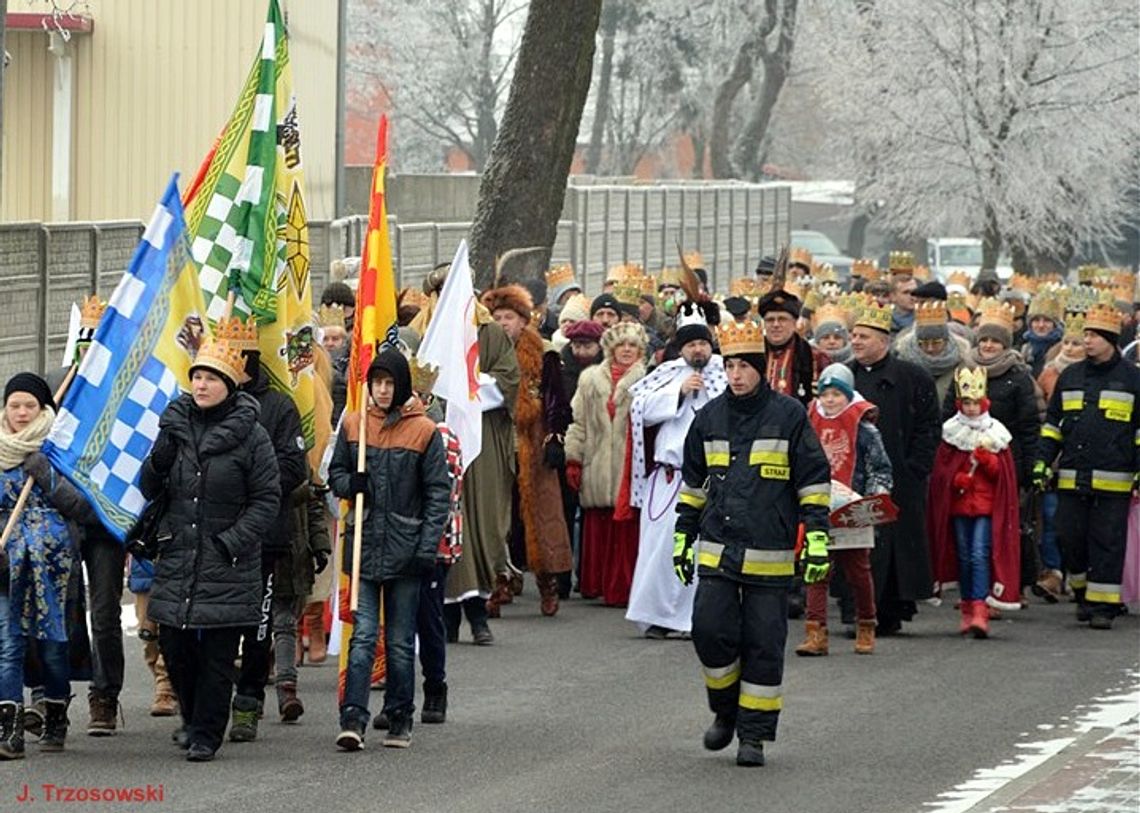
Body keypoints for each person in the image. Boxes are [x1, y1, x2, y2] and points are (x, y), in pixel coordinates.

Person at [675, 319, 832, 767]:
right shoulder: (709, 418)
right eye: (730, 366)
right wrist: (682, 539)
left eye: (745, 366)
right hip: (717, 548)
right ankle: (725, 709)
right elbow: (692, 486)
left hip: (771, 551)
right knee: (709, 631)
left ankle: (754, 736)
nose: (736, 375)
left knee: (763, 644)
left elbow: (814, 483)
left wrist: (817, 536)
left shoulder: (789, 416)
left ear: (762, 369)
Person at [140, 338, 281, 762]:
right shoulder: (175, 426)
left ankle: (206, 733)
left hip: (226, 560)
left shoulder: (252, 436)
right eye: (197, 376)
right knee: (177, 649)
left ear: (228, 385)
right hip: (180, 553)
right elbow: (150, 489)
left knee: (218, 656)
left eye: (211, 378)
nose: (201, 385)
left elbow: (267, 499)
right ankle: (192, 715)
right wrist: (159, 461)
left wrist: (231, 541)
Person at [329, 350, 450, 751]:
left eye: (389, 382)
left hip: (406, 549)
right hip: (363, 547)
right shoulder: (353, 424)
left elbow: (437, 495)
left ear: (402, 385)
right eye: (376, 382)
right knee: (362, 637)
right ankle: (353, 718)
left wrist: (426, 546)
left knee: (399, 641)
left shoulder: (424, 431)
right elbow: (337, 475)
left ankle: (400, 715)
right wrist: (351, 485)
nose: (382, 390)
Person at [0, 374, 95, 759]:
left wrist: (45, 472)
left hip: (55, 569)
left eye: (30, 406)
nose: (22, 413)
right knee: (8, 646)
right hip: (6, 568)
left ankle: (56, 713)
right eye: (14, 405)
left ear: (44, 409)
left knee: (54, 647)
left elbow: (84, 507)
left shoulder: (60, 450)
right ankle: (9, 730)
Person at [223, 318, 307, 744]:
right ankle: (210, 701)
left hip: (265, 536)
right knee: (216, 627)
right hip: (215, 540)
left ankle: (248, 704)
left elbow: (295, 467)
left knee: (259, 625)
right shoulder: (202, 408)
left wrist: (245, 476)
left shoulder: (278, 407)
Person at [1033, 303, 1140, 630]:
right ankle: (1081, 591)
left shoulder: (1133, 379)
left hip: (1115, 479)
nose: (1087, 341)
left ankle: (1103, 608)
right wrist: (1042, 460)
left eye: (1093, 336)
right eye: (1086, 335)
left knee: (1107, 542)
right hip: (1071, 476)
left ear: (1110, 339)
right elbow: (1053, 424)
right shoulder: (1071, 376)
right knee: (1069, 537)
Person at [625, 300, 726, 638]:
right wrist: (677, 394)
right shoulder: (667, 373)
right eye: (691, 344)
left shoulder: (726, 373)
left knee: (697, 550)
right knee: (660, 549)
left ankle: (691, 619)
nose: (698, 350)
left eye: (703, 343)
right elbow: (640, 408)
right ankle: (657, 617)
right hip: (667, 478)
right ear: (681, 347)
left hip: (707, 479)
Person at [848, 302, 941, 635]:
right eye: (853, 335)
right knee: (855, 544)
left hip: (901, 477)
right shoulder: (844, 377)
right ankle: (855, 611)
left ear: (883, 340)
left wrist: (916, 467)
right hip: (854, 479)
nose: (855, 342)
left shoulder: (912, 377)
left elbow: (930, 425)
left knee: (893, 546)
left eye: (863, 336)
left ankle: (890, 610)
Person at [482, 284, 572, 617]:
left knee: (541, 514)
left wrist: (554, 439)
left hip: (533, 439)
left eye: (510, 317)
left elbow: (556, 401)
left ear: (524, 320)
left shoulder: (544, 352)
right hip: (498, 437)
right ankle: (499, 579)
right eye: (498, 317)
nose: (504, 323)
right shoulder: (485, 354)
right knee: (497, 513)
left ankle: (548, 583)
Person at [795, 364, 892, 657]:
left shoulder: (864, 427)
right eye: (826, 394)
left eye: (837, 393)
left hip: (853, 507)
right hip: (818, 506)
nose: (831, 400)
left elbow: (880, 467)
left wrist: (877, 496)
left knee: (858, 572)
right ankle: (816, 632)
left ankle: (866, 623)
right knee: (817, 568)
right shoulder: (808, 421)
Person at [927, 367, 1021, 638]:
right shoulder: (951, 433)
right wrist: (956, 479)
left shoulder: (996, 433)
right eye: (966, 403)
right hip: (958, 507)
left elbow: (1003, 477)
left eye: (975, 403)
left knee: (980, 553)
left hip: (986, 507)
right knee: (965, 556)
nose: (970, 408)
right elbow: (941, 473)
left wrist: (989, 461)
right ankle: (968, 606)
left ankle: (980, 607)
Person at [565, 323, 648, 606]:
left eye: (632, 346)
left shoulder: (648, 380)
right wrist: (574, 458)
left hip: (630, 464)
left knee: (625, 527)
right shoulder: (589, 379)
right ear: (610, 349)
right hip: (597, 460)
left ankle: (622, 587)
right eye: (621, 345)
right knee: (597, 522)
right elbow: (579, 422)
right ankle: (594, 582)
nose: (626, 350)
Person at [1032, 312, 1087, 602]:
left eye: (1077, 343)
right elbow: (1045, 416)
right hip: (1057, 455)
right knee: (1053, 518)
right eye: (1067, 342)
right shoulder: (1050, 372)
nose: (1070, 348)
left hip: (1086, 456)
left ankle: (1078, 575)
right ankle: (1054, 571)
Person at [271, 473, 331, 723]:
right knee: (254, 629)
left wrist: (319, 543)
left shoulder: (295, 454)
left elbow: (314, 503)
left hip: (291, 552)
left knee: (285, 623)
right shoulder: (247, 442)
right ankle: (249, 698)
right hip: (253, 551)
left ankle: (287, 691)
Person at [894, 301, 970, 403]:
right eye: (923, 343)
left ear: (946, 340)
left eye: (936, 343)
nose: (930, 348)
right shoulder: (903, 361)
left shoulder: (962, 364)